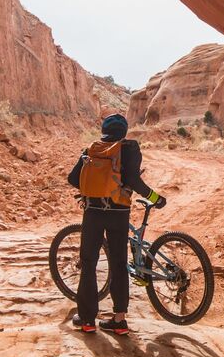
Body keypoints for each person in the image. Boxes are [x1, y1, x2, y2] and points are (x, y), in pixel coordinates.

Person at [67, 113, 166, 335]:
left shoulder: (91, 149)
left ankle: (87, 320)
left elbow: (72, 179)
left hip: (93, 212)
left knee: (89, 262)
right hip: (119, 213)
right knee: (119, 263)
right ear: (124, 132)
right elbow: (134, 181)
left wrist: (91, 188)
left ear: (104, 131)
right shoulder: (129, 148)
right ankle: (119, 320)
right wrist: (155, 198)